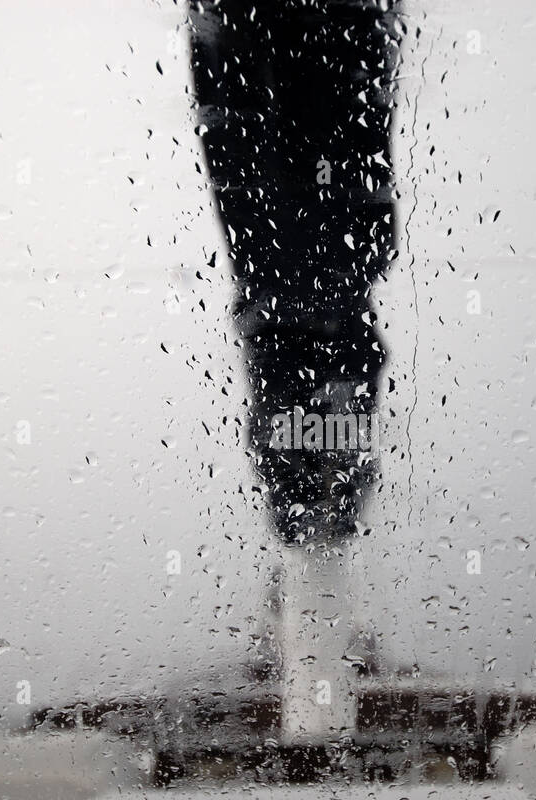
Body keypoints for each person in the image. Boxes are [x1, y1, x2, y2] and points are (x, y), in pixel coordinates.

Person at [188, 0, 404, 755]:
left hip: (303, 281)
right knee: (309, 234)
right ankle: (319, 478)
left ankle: (317, 478)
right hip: (312, 280)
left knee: (283, 200)